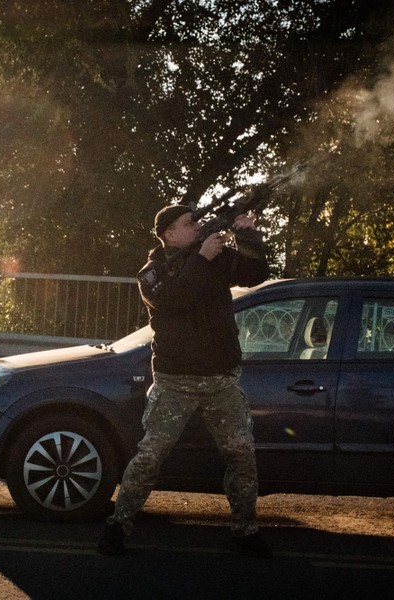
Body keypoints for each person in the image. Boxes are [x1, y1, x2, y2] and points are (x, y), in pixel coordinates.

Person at [97, 204, 271, 558]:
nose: (197, 226)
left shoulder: (213, 258)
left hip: (221, 380)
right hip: (174, 382)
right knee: (149, 457)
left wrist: (248, 235)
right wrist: (202, 258)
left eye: (197, 221)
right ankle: (118, 525)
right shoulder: (151, 273)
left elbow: (255, 273)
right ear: (169, 234)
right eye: (189, 223)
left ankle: (246, 529)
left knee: (242, 455)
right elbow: (171, 301)